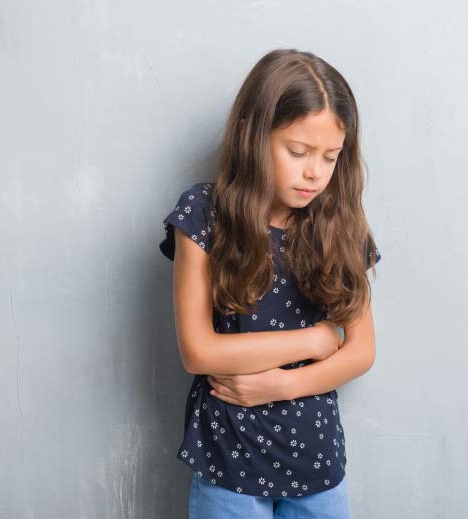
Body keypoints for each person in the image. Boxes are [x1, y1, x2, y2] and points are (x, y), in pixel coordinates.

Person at [158, 48, 382, 519]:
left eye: (330, 157)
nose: (314, 172)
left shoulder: (341, 226)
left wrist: (281, 386)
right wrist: (317, 339)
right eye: (298, 152)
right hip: (228, 464)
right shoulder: (204, 215)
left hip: (316, 464)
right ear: (252, 134)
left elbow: (361, 351)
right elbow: (198, 351)